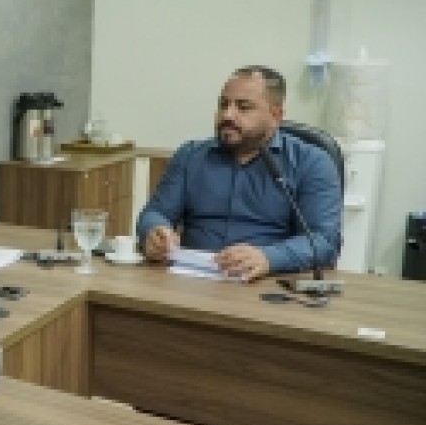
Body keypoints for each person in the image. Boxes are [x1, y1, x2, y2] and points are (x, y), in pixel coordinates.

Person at [137, 65, 342, 281]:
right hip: (191, 281)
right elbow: (155, 212)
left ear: (276, 115)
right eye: (223, 104)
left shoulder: (312, 162)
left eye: (243, 107)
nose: (227, 115)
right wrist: (154, 231)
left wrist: (268, 258)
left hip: (266, 284)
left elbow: (324, 241)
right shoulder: (190, 155)